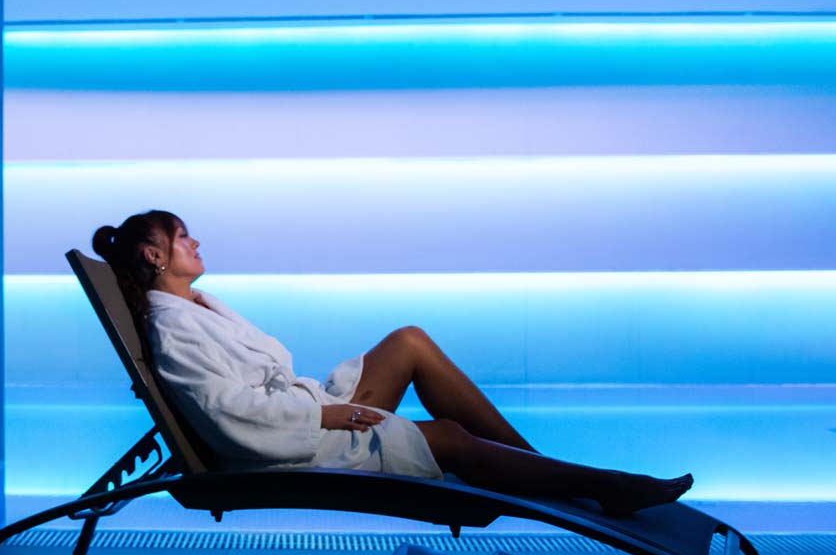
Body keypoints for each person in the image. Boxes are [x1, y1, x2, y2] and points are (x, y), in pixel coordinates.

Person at [91, 211, 693, 517]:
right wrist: (322, 416)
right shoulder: (173, 327)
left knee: (409, 340)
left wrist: (319, 408)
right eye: (183, 237)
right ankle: (595, 484)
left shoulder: (197, 307)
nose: (196, 243)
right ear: (154, 254)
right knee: (449, 437)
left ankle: (543, 471)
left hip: (302, 416)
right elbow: (225, 411)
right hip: (283, 444)